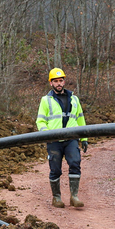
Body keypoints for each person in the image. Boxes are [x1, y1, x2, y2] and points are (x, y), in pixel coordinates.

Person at [36, 67, 88, 208]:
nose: (59, 83)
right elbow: (40, 121)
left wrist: (84, 138)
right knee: (55, 169)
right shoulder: (46, 100)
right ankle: (56, 197)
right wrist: (46, 133)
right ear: (51, 83)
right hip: (54, 139)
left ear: (64, 82)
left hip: (71, 138)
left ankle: (74, 196)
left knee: (75, 163)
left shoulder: (74, 99)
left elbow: (80, 119)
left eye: (61, 80)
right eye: (56, 81)